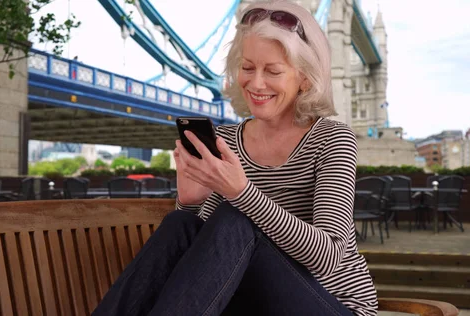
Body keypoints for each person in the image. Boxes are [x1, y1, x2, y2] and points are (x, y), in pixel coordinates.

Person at [92, 1, 378, 315]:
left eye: (273, 71)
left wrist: (241, 193)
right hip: (252, 304)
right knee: (180, 224)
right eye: (247, 67)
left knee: (236, 218)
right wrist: (190, 202)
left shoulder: (331, 138)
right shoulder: (227, 140)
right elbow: (214, 264)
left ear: (305, 79)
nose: (255, 83)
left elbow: (328, 256)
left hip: (332, 304)